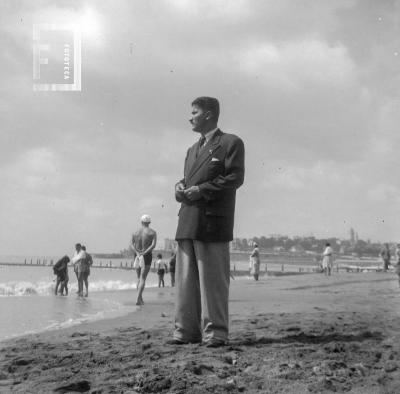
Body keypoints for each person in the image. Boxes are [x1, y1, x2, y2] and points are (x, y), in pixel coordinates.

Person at [171, 96, 245, 347]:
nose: (190, 117)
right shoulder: (192, 150)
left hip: (213, 223)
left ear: (209, 115)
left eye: (194, 112)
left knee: (212, 282)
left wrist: (201, 190)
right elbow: (187, 179)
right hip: (188, 219)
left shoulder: (230, 143)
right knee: (184, 282)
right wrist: (180, 186)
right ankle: (185, 331)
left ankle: (216, 333)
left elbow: (235, 178)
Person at [131, 214, 157, 305]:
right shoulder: (152, 232)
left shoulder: (135, 232)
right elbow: (153, 245)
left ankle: (140, 298)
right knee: (143, 278)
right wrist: (145, 252)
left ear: (141, 222)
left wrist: (138, 253)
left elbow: (131, 244)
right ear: (149, 222)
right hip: (146, 255)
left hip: (137, 255)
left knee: (138, 278)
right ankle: (138, 298)